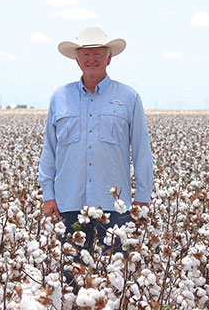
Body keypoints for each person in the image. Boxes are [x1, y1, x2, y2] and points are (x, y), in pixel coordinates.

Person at [38, 26, 154, 258]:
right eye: (86, 54)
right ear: (77, 60)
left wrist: (143, 196)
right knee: (70, 277)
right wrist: (48, 195)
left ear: (109, 58)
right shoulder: (59, 98)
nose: (92, 59)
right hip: (68, 204)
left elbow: (142, 151)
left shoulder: (129, 97)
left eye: (98, 53)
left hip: (114, 207)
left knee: (117, 276)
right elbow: (49, 151)